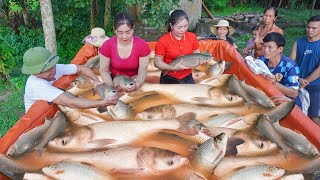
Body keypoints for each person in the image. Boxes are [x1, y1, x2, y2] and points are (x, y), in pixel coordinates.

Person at [22, 47, 118, 112]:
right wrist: (102, 102)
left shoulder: (56, 68)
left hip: (55, 102)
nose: (53, 70)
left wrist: (95, 80)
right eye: (47, 69)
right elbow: (70, 102)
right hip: (39, 116)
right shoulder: (36, 85)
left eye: (53, 66)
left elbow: (81, 68)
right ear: (35, 73)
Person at [99, 13, 151, 92]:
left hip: (134, 80)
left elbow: (143, 72)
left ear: (133, 29)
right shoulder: (107, 45)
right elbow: (104, 71)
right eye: (120, 33)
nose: (124, 37)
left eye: (128, 32)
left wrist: (136, 85)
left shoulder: (142, 46)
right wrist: (112, 87)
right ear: (115, 30)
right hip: (115, 80)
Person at [154, 9, 200, 84]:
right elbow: (157, 62)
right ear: (171, 26)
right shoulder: (163, 41)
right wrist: (173, 68)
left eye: (185, 26)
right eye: (179, 27)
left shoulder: (192, 37)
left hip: (187, 76)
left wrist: (200, 61)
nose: (183, 30)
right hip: (169, 77)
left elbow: (197, 54)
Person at [290, 15, 320, 125]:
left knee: (313, 116)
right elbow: (292, 63)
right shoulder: (299, 42)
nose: (310, 30)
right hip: (297, 82)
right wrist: (298, 79)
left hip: (315, 85)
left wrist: (305, 81)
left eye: (314, 28)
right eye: (308, 27)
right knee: (298, 114)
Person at [259, 32, 301, 107]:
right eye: (264, 46)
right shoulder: (262, 60)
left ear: (280, 49)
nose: (265, 50)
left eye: (270, 47)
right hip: (269, 102)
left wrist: (275, 84)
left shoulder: (290, 66)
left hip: (288, 106)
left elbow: (294, 93)